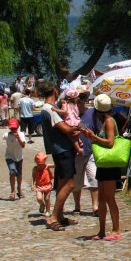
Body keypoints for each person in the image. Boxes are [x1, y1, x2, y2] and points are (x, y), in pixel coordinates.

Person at [80, 94, 123, 241]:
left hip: (109, 165)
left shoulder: (109, 122)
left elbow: (110, 142)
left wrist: (94, 137)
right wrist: (91, 136)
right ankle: (102, 231)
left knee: (110, 198)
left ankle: (116, 230)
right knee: (102, 199)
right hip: (104, 164)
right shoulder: (105, 122)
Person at [39, 83, 80, 231]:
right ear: (55, 91)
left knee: (62, 184)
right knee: (69, 184)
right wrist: (78, 128)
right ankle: (54, 217)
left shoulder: (46, 109)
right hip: (63, 150)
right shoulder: (50, 109)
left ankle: (60, 215)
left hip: (59, 150)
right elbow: (65, 128)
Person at [75, 92, 100, 217]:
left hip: (90, 151)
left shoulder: (91, 113)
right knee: (77, 180)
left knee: (94, 178)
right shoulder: (71, 115)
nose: (79, 102)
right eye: (77, 100)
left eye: (81, 99)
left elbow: (98, 130)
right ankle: (77, 206)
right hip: (76, 152)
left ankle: (95, 206)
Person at [4, 118, 26, 200]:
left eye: (15, 128)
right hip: (9, 156)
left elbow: (23, 145)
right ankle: (12, 191)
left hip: (19, 157)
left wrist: (18, 137)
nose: (13, 130)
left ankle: (19, 189)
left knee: (19, 175)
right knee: (12, 171)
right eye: (12, 128)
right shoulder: (6, 135)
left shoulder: (21, 134)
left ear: (18, 127)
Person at [31, 152, 55, 217]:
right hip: (39, 186)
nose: (40, 166)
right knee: (39, 198)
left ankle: (48, 211)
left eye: (42, 164)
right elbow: (33, 177)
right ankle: (42, 204)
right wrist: (32, 185)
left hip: (47, 185)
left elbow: (55, 165)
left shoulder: (47, 166)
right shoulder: (35, 169)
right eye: (39, 164)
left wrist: (53, 164)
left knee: (47, 199)